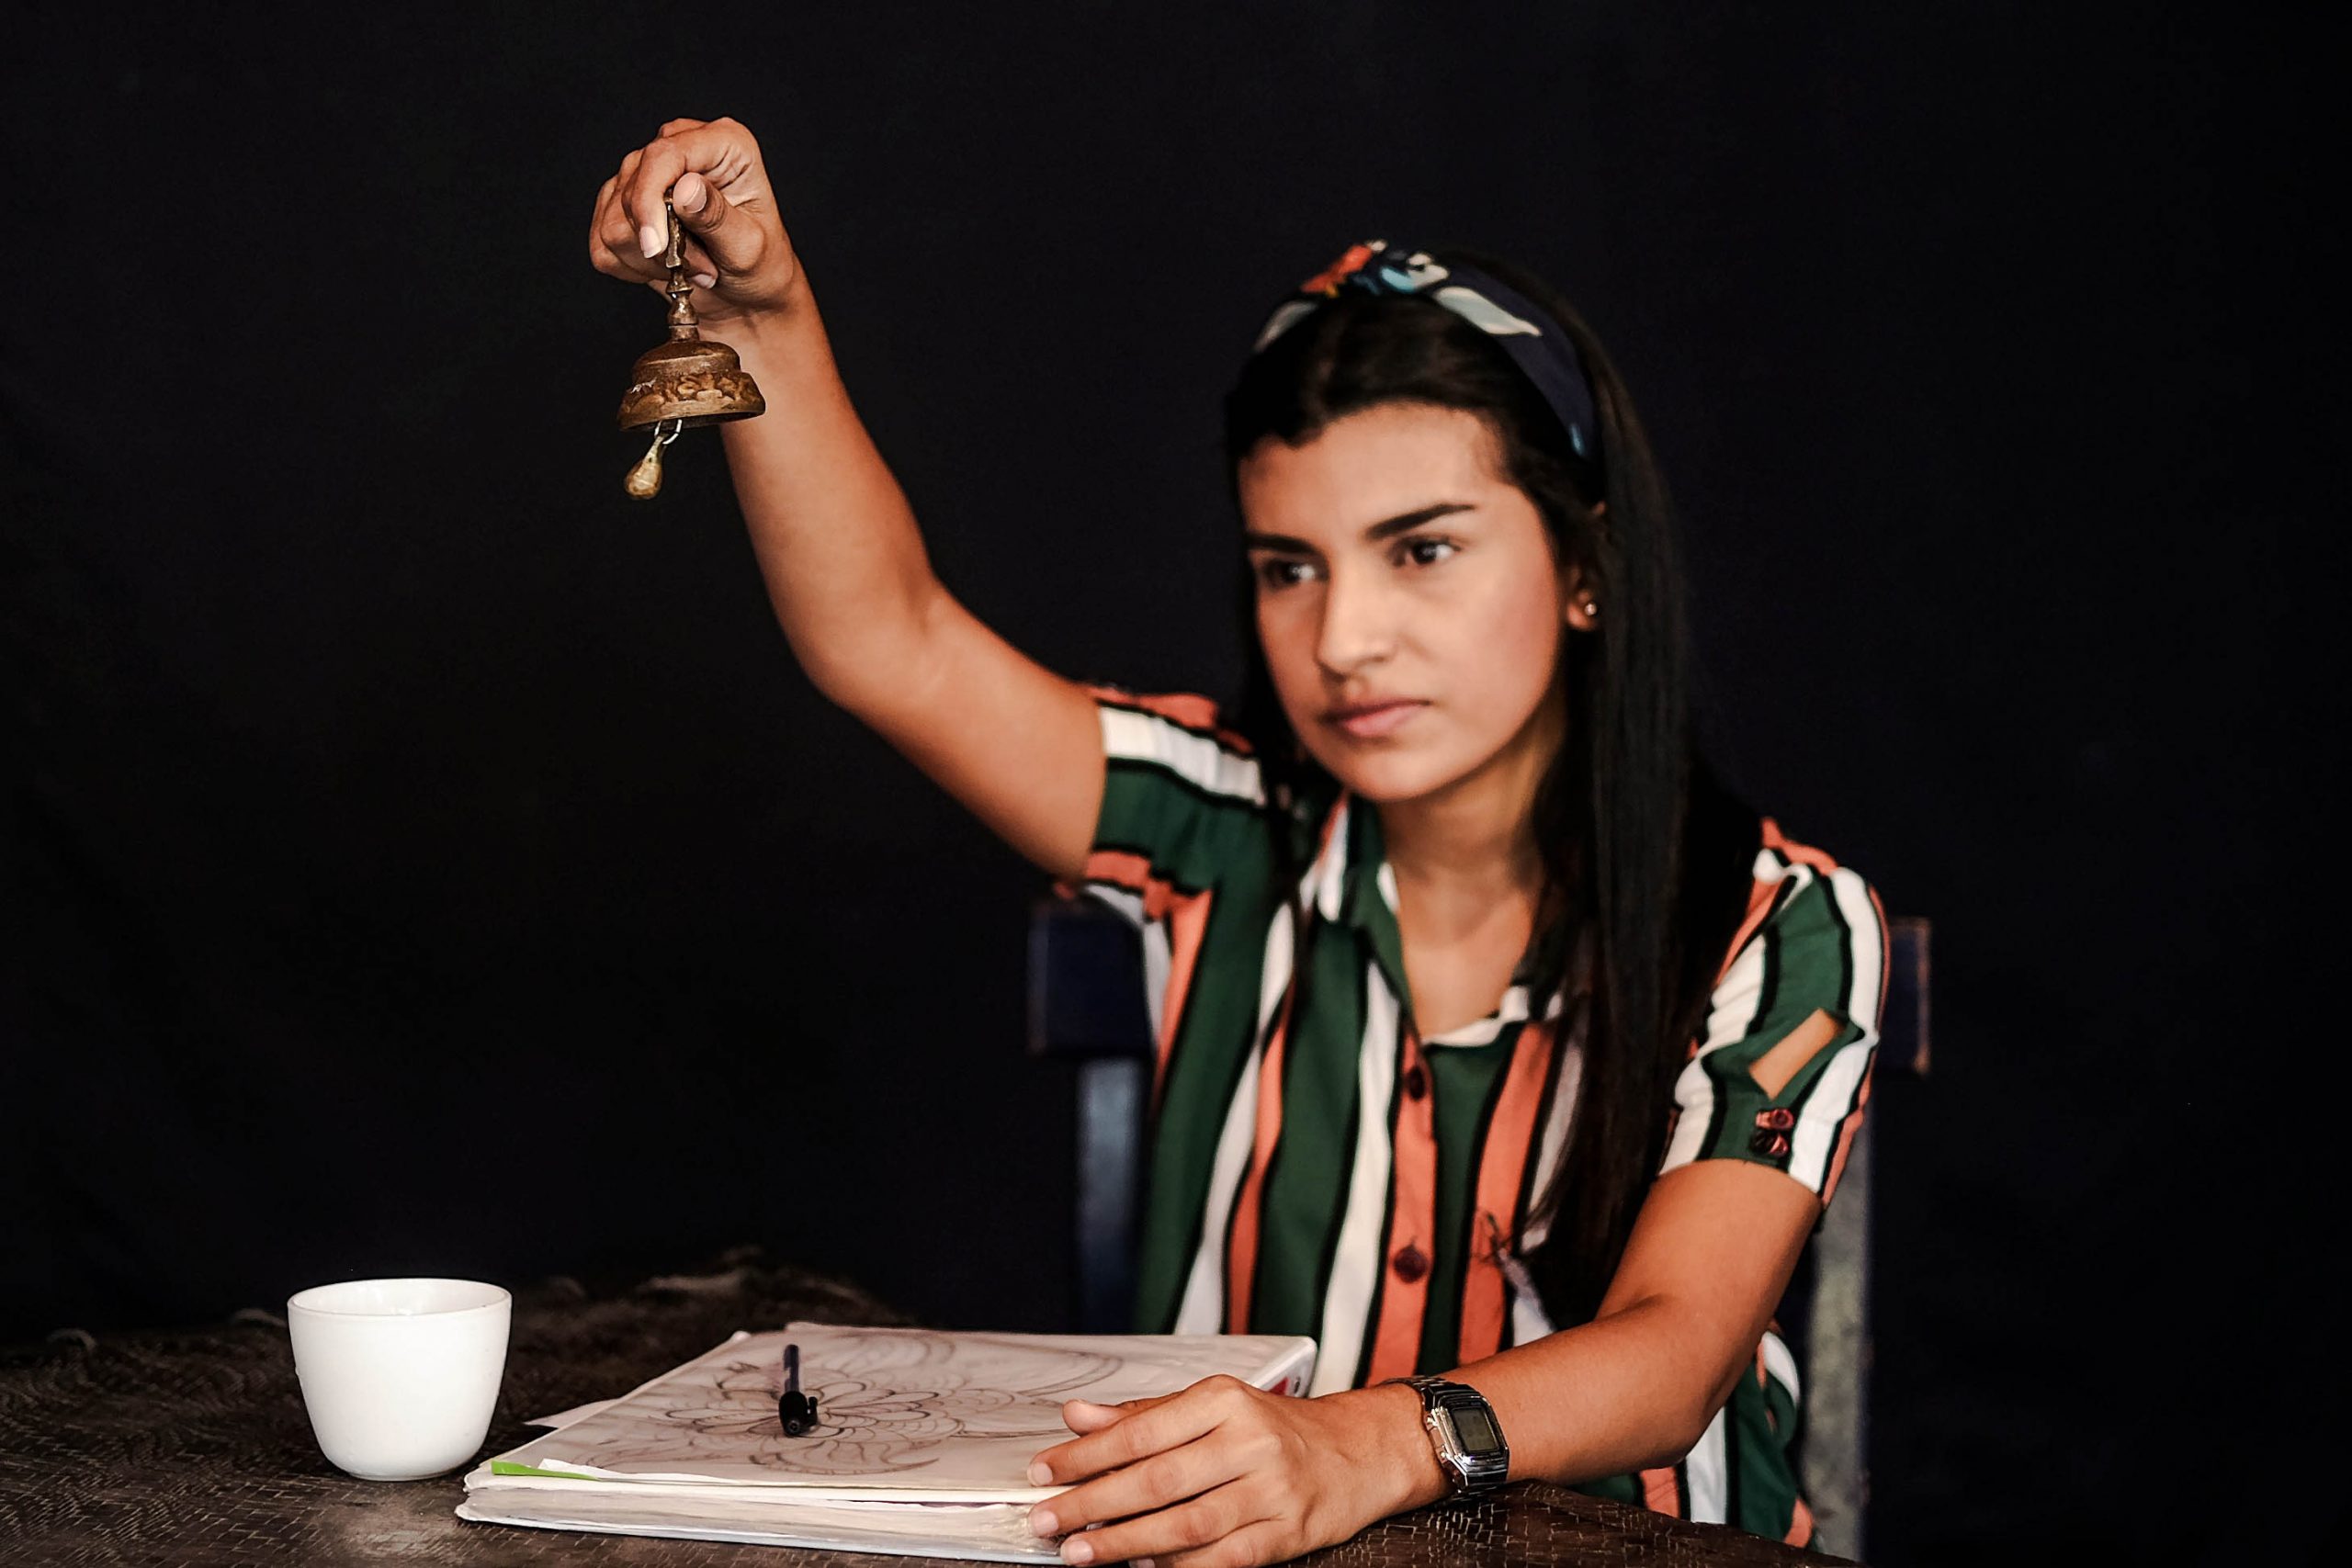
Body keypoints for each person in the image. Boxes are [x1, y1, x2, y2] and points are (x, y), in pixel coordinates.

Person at [590, 117, 1886, 1565]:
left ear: (1586, 567)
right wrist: (763, 311)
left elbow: (1680, 1349)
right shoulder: (1217, 822)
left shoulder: (1778, 920)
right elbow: (887, 639)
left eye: (1424, 549)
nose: (1342, 640)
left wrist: (1362, 1443)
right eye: (1289, 568)